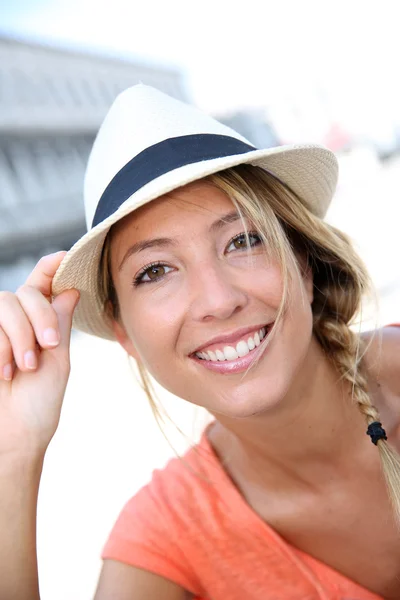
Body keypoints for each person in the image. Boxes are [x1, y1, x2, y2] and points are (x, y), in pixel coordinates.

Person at [0, 85, 400, 600]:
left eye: (244, 240)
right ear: (124, 332)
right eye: (156, 270)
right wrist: (12, 458)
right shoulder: (168, 539)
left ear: (303, 261)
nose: (216, 300)